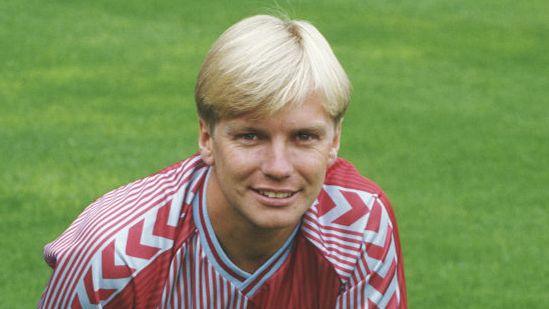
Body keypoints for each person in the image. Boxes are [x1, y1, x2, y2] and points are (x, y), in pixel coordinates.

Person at [39, 15, 406, 308]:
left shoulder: (360, 224)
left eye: (304, 137)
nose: (278, 167)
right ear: (206, 137)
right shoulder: (115, 254)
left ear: (334, 140)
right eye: (250, 136)